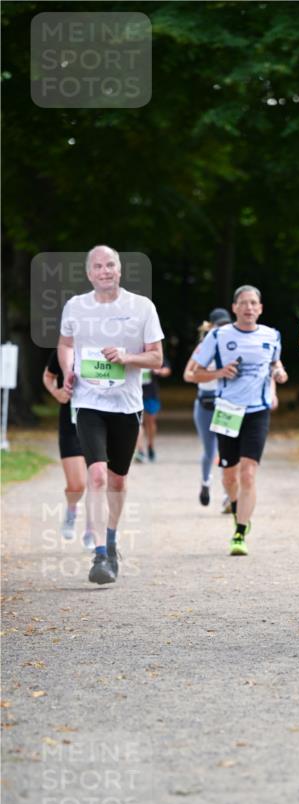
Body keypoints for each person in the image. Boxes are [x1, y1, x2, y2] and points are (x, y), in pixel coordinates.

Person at [57, 245, 164, 585]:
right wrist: (68, 369)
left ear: (120, 270)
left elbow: (156, 358)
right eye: (98, 266)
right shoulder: (75, 306)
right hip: (89, 403)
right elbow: (65, 344)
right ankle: (100, 554)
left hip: (127, 405)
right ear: (89, 273)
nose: (104, 271)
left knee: (117, 479)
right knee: (98, 475)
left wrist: (126, 357)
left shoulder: (141, 307)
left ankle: (113, 539)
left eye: (110, 265)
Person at [189, 285, 287, 555]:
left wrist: (279, 375)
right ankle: (237, 510)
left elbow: (275, 364)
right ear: (234, 308)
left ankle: (240, 532)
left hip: (258, 411)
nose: (248, 308)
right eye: (243, 303)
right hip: (227, 410)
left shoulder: (272, 335)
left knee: (248, 472)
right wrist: (219, 372)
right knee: (229, 477)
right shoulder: (218, 336)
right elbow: (191, 374)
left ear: (260, 308)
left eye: (254, 303)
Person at [42, 351, 94, 549]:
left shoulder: (108, 349)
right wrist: (56, 393)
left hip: (102, 425)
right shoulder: (65, 350)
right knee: (77, 485)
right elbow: (48, 376)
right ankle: (72, 510)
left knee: (97, 482)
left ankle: (91, 531)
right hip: (71, 425)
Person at [184, 308, 233, 510]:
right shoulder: (203, 348)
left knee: (226, 449)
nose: (223, 328)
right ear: (211, 326)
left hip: (226, 402)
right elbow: (189, 375)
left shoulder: (234, 345)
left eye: (225, 324)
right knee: (209, 449)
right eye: (219, 325)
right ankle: (205, 483)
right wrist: (217, 374)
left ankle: (228, 495)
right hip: (205, 402)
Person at [135, 355, 171, 462]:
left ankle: (150, 446)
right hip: (135, 394)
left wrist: (159, 371)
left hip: (151, 394)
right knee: (137, 423)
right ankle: (140, 450)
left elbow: (167, 369)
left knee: (150, 422)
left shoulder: (153, 351)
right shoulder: (132, 350)